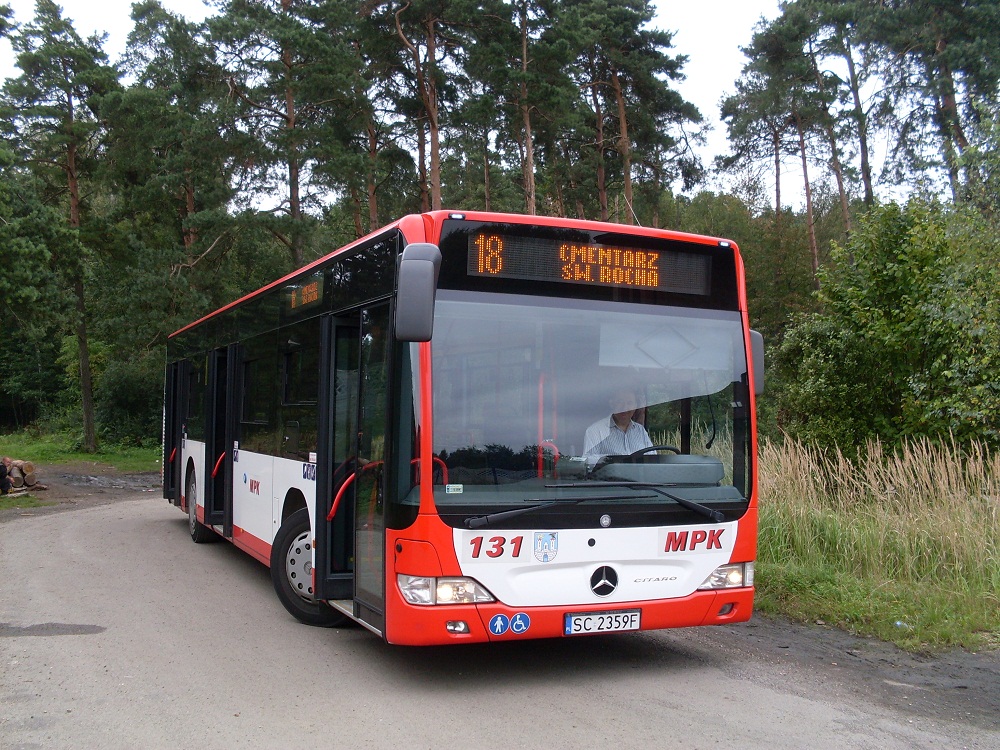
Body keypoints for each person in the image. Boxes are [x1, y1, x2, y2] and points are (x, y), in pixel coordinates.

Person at [583, 387, 652, 458]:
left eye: (629, 403)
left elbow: (652, 459)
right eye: (620, 402)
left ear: (635, 406)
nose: (624, 408)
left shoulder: (640, 431)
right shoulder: (595, 431)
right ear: (612, 404)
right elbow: (589, 461)